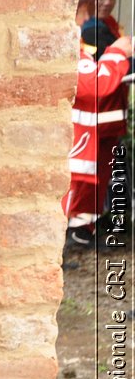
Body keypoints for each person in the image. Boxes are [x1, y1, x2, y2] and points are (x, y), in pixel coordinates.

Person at [65, 31, 133, 248]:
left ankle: (78, 233)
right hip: (78, 141)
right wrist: (118, 52)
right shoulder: (70, 45)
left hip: (86, 138)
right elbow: (94, 84)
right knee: (66, 196)